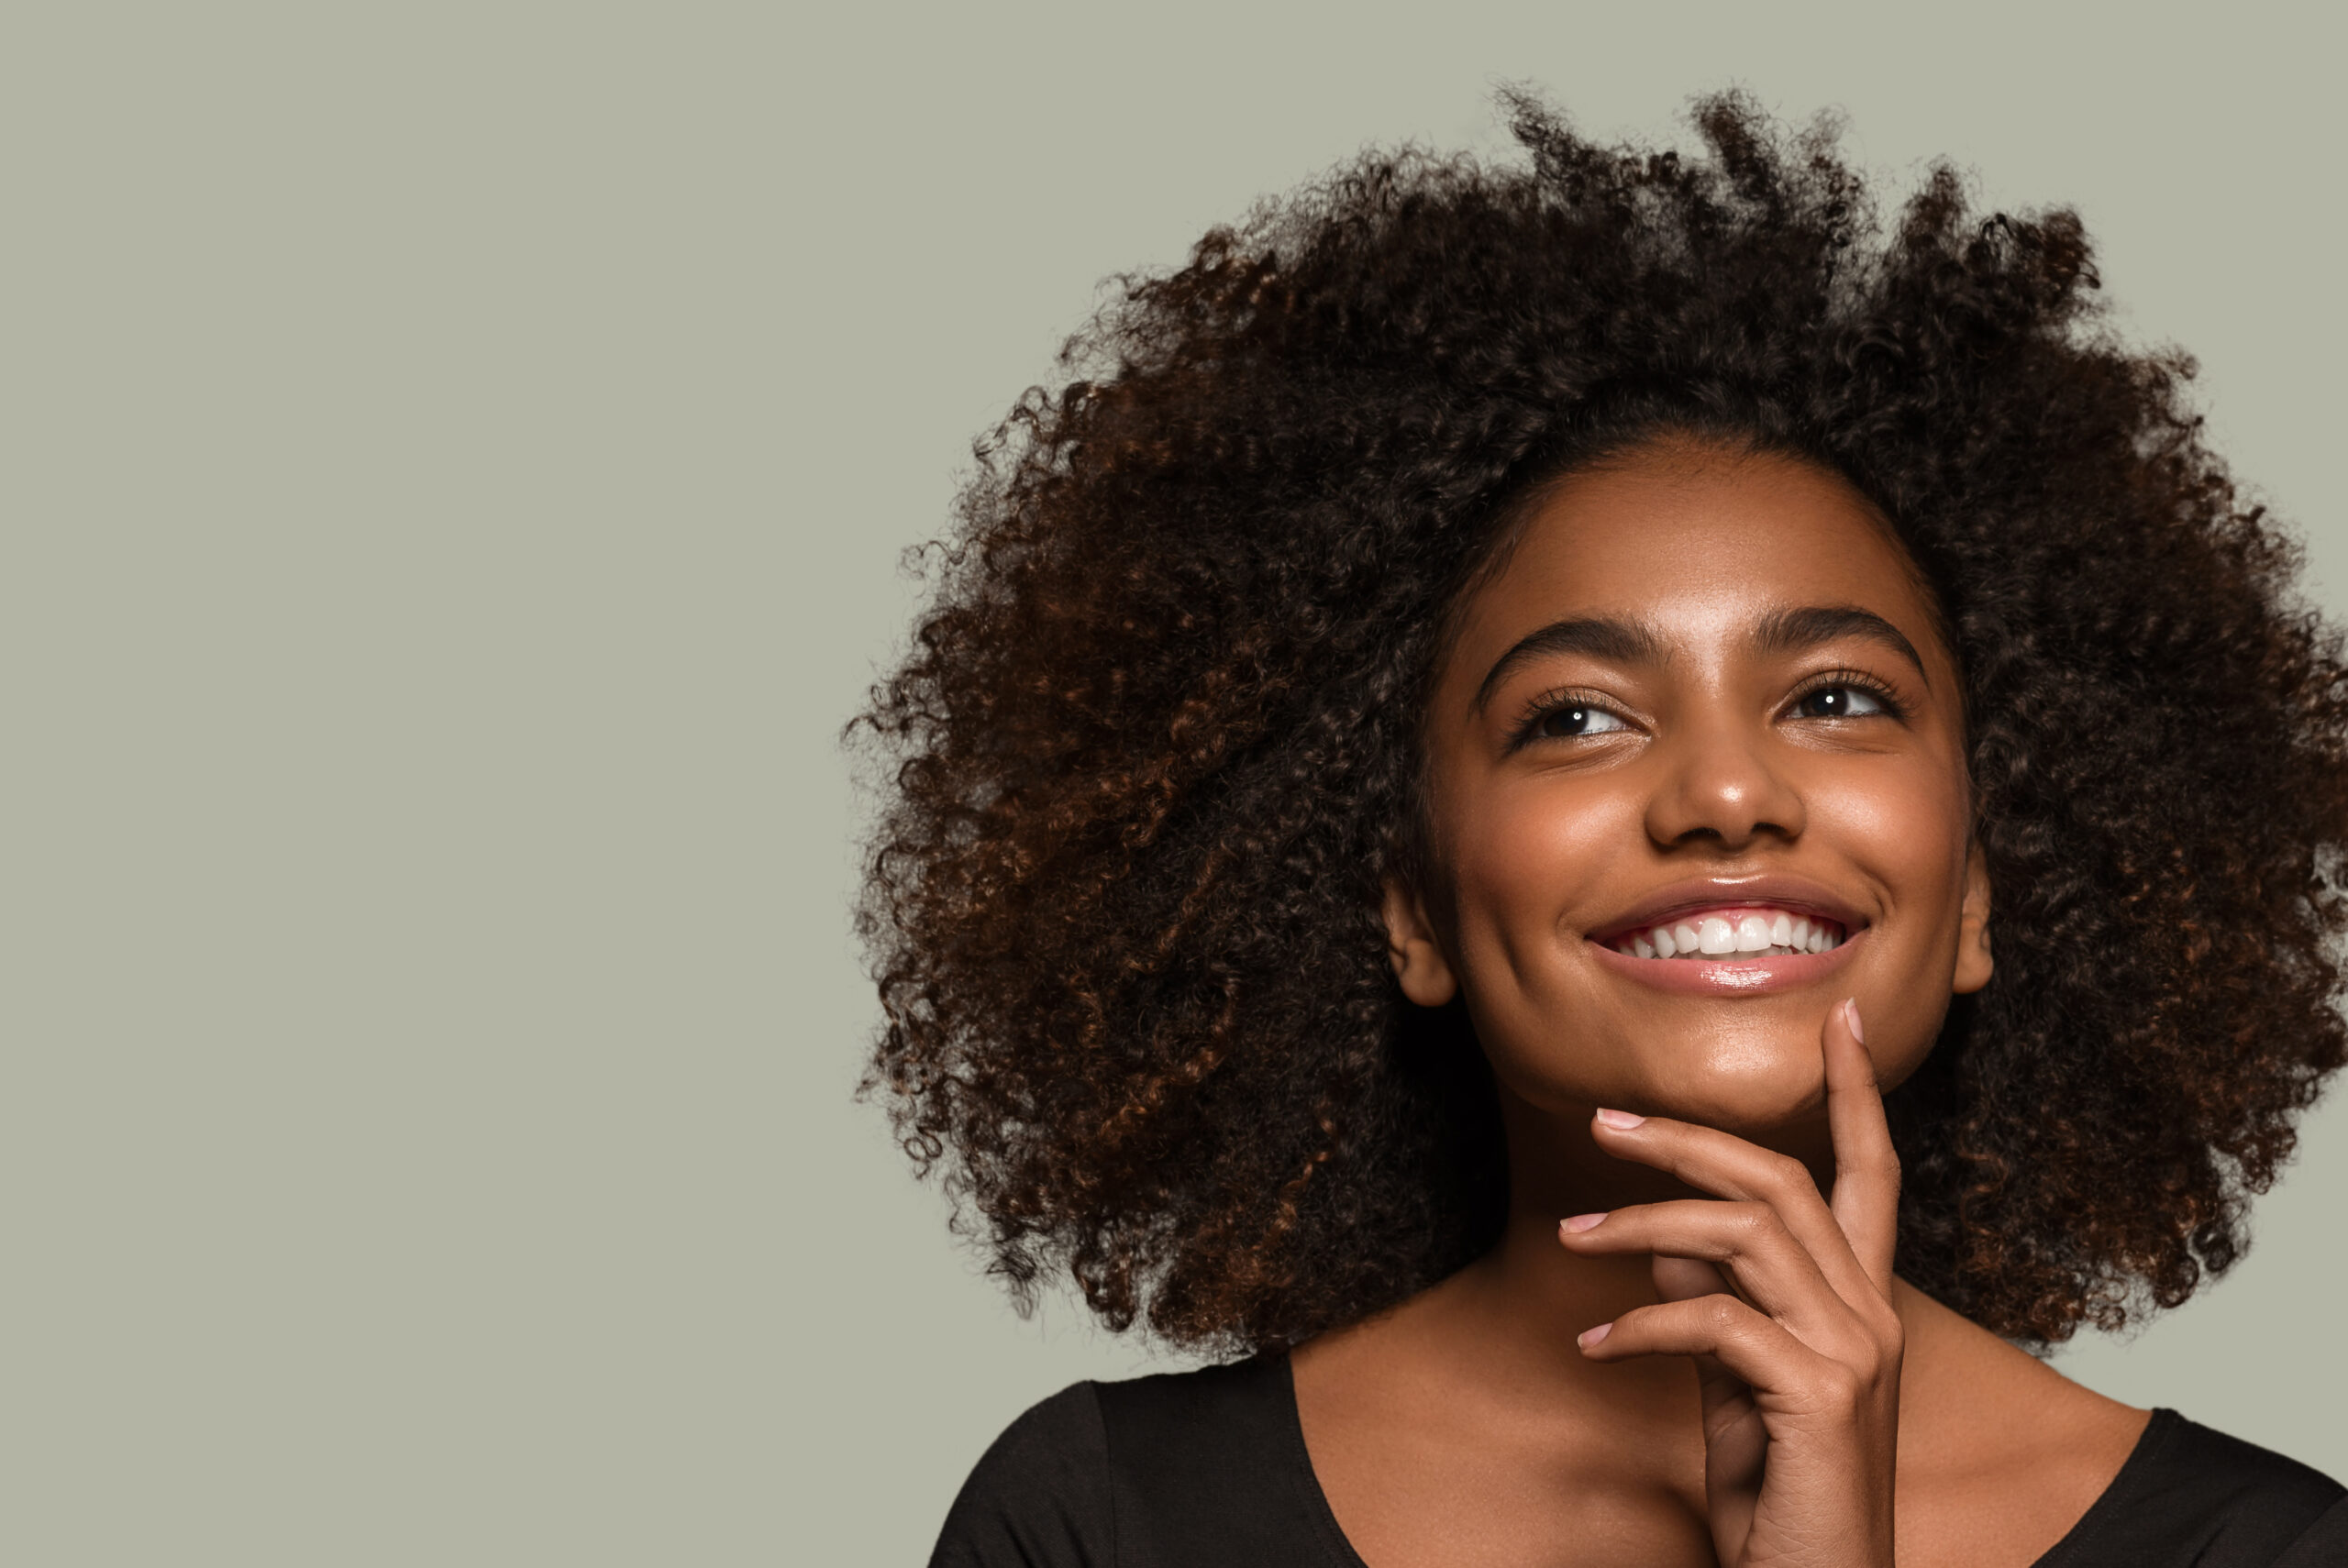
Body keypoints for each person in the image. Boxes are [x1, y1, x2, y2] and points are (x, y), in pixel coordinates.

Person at [852, 93, 2348, 1565]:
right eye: (1575, 715)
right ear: (1412, 909)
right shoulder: (1101, 1523)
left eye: (1835, 695)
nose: (1724, 793)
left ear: (1977, 892)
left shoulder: (2265, 1549)